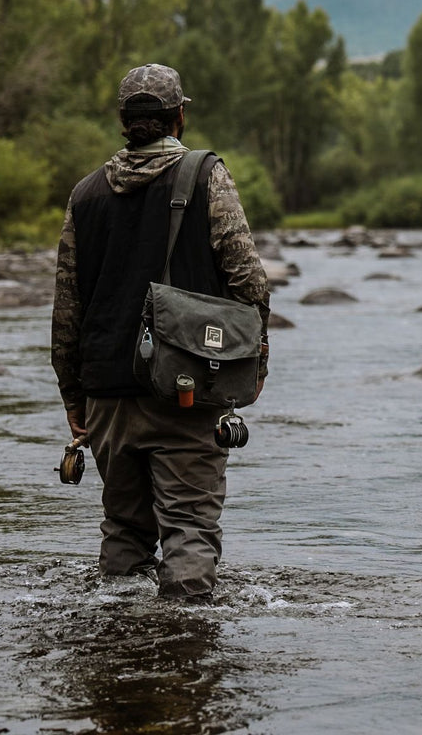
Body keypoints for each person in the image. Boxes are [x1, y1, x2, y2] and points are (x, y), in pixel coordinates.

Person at [51, 63, 270, 600]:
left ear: (125, 121)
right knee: (189, 527)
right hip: (184, 388)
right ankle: (183, 647)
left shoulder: (84, 194)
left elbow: (66, 311)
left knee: (124, 532)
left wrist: (74, 398)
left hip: (106, 393)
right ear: (178, 116)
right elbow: (248, 280)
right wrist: (252, 367)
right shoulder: (205, 173)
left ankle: (120, 644)